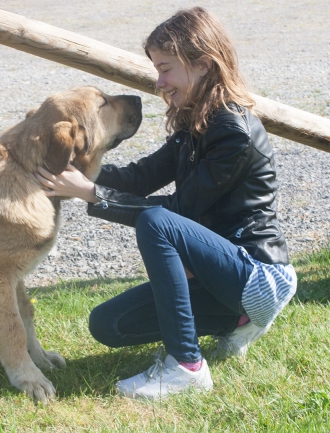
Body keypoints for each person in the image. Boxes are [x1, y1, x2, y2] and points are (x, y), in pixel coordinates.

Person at [35, 6, 297, 400]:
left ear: (204, 64)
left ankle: (186, 368)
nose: (159, 83)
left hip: (258, 274)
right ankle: (236, 321)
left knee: (157, 222)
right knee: (108, 324)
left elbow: (176, 215)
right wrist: (75, 165)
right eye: (157, 70)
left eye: (166, 68)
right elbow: (139, 177)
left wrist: (90, 193)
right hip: (220, 277)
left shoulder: (233, 132)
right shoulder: (195, 123)